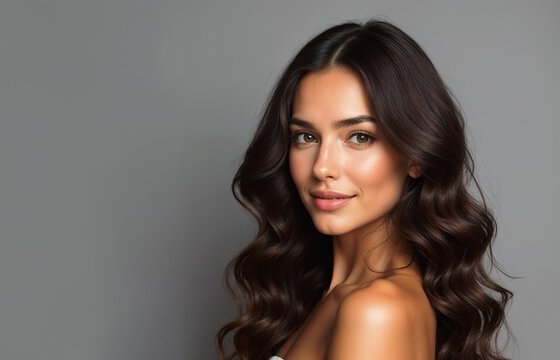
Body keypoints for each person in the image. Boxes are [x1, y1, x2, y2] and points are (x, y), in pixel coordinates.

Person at [216, 18, 515, 360]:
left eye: (360, 137)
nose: (322, 167)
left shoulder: (374, 312)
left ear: (415, 156)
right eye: (306, 136)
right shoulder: (333, 295)